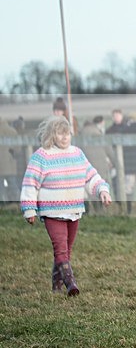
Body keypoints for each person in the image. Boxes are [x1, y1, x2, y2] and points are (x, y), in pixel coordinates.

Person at [20, 115, 112, 295]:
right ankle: (71, 283)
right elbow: (30, 183)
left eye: (67, 134)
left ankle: (56, 286)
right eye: (60, 134)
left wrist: (102, 190)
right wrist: (29, 208)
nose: (64, 137)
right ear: (52, 135)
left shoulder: (77, 153)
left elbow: (91, 175)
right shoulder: (41, 156)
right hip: (52, 212)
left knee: (66, 251)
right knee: (60, 249)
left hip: (74, 210)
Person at [78, 115, 116, 215]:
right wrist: (115, 163)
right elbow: (109, 150)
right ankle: (101, 212)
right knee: (100, 188)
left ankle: (92, 213)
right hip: (101, 166)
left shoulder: (80, 135)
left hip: (86, 167)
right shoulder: (98, 134)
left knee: (89, 191)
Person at [0, 117, 20, 204]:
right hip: (10, 164)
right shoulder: (12, 131)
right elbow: (17, 149)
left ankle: (3, 207)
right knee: (13, 185)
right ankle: (19, 204)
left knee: (1, 188)